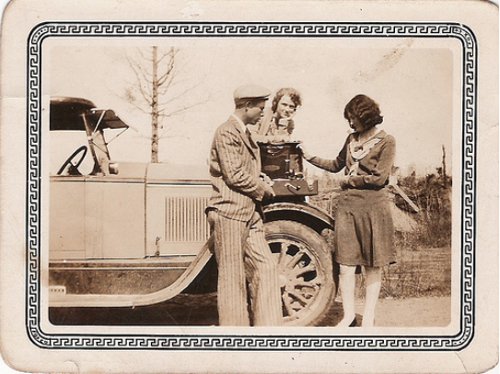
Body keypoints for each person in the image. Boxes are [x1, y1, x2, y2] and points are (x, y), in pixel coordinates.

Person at [300, 94, 396, 327]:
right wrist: (309, 156)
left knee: (373, 265)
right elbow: (336, 165)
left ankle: (369, 318)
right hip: (347, 209)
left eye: (353, 118)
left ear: (365, 116)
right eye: (349, 118)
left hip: (374, 208)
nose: (350, 123)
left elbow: (379, 178)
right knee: (345, 265)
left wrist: (349, 181)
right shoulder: (351, 139)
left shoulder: (387, 141)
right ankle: (349, 316)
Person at [205, 84, 283, 326]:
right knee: (232, 279)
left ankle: (269, 334)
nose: (263, 112)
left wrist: (260, 178)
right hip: (229, 212)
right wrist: (263, 189)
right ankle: (236, 337)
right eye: (260, 108)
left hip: (249, 213)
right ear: (246, 106)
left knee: (267, 267)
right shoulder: (226, 132)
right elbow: (234, 175)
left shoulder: (245, 133)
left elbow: (244, 171)